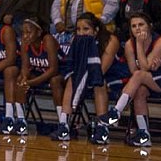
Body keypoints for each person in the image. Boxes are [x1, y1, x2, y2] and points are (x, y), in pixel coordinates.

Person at [104, 12, 161, 147]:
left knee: (140, 76)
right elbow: (134, 71)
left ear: (150, 26)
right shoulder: (129, 44)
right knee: (139, 90)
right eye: (133, 26)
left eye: (141, 24)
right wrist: (138, 48)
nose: (137, 29)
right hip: (148, 79)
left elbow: (143, 69)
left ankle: (116, 111)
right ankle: (144, 135)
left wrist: (139, 45)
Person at [50, 13, 126, 144]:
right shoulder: (77, 41)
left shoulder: (110, 40)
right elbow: (72, 65)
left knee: (99, 83)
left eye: (86, 29)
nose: (81, 33)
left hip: (113, 75)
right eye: (78, 30)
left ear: (95, 31)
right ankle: (64, 126)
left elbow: (101, 70)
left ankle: (103, 128)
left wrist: (83, 80)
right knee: (71, 79)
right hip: (85, 75)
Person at [6, 17, 60, 136]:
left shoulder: (48, 40)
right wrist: (25, 78)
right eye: (23, 33)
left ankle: (63, 123)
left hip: (60, 73)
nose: (25, 36)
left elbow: (53, 69)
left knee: (55, 81)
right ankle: (21, 121)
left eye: (28, 32)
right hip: (40, 73)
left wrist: (31, 83)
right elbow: (25, 67)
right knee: (20, 79)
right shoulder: (25, 43)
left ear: (39, 32)